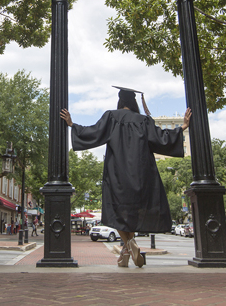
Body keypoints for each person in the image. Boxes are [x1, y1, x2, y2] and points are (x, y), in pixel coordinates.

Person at [60, 88, 192, 268]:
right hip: (142, 174)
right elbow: (162, 139)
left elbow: (94, 133)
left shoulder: (111, 117)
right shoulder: (144, 120)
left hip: (117, 173)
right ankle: (128, 248)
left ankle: (129, 244)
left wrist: (72, 125)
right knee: (134, 212)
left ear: (119, 102)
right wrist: (183, 127)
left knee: (117, 211)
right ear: (134, 103)